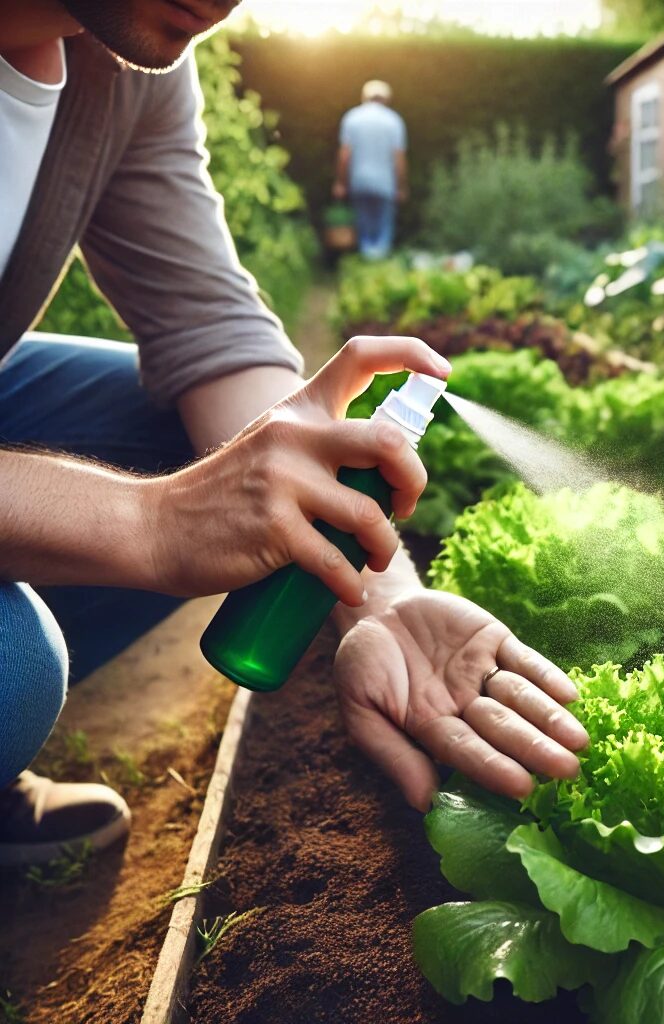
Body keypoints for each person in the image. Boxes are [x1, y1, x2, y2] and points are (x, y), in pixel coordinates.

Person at [0, 0, 589, 868]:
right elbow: (167, 510)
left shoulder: (124, 62)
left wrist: (379, 603)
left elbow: (209, 329)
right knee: (16, 672)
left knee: (225, 455)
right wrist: (154, 523)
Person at [332, 79, 408, 259]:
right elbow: (399, 157)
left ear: (365, 97)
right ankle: (378, 269)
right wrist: (401, 186)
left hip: (359, 181)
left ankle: (365, 266)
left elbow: (344, 155)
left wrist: (340, 182)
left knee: (363, 228)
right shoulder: (394, 121)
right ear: (387, 98)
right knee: (382, 231)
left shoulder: (352, 118)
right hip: (385, 183)